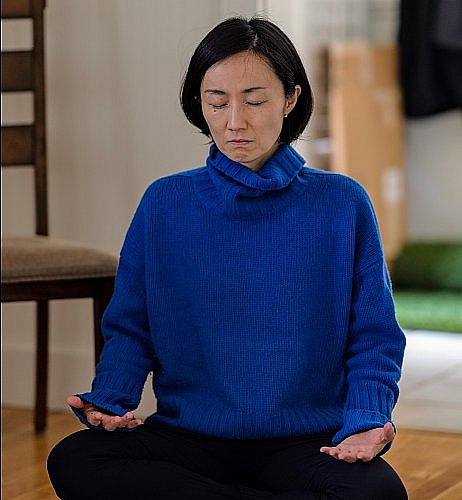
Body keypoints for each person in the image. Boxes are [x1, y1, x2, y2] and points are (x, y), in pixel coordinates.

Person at [47, 16, 408, 500]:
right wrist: (111, 398)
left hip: (307, 443)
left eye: (254, 101)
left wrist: (367, 420)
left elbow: (375, 336)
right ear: (199, 104)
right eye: (217, 102)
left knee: (378, 493)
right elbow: (132, 324)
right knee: (76, 458)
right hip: (190, 440)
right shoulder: (165, 202)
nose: (235, 122)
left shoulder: (342, 202)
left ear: (291, 99)